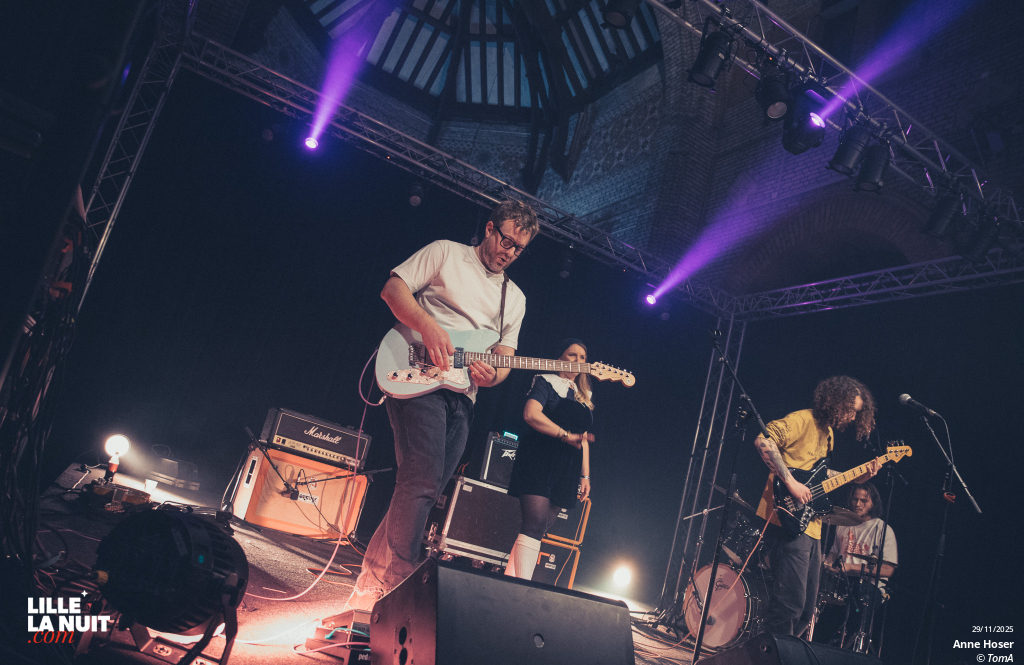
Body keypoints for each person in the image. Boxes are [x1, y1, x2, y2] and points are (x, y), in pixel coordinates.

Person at [343, 200, 539, 612]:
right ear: (490, 229)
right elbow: (392, 289)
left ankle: (367, 589)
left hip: (463, 395)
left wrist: (493, 375)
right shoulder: (446, 252)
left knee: (424, 490)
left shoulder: (515, 298)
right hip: (416, 377)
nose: (510, 252)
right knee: (421, 480)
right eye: (506, 241)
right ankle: (400, 584)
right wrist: (428, 326)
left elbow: (504, 356)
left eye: (520, 249)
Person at [753, 376, 880, 637]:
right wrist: (791, 483)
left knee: (805, 612)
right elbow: (763, 441)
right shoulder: (802, 420)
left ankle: (777, 651)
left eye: (856, 413)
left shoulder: (829, 435)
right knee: (789, 606)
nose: (852, 417)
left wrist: (857, 478)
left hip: (812, 526)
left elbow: (819, 476)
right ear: (836, 401)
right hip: (787, 518)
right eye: (850, 410)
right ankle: (765, 653)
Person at [504, 339, 594, 579]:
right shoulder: (545, 381)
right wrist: (564, 435)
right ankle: (522, 587)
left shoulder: (584, 396)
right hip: (539, 458)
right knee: (533, 525)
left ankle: (509, 581)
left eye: (583, 357)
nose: (578, 361)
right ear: (560, 358)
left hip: (567, 468)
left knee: (538, 530)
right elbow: (531, 414)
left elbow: (583, 438)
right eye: (572, 355)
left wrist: (585, 476)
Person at [822, 482, 897, 646]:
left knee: (853, 623)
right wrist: (824, 568)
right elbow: (834, 553)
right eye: (855, 499)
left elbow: (888, 569)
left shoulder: (882, 529)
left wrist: (850, 567)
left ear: (873, 503)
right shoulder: (842, 523)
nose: (857, 504)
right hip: (841, 583)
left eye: (863, 501)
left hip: (868, 586)